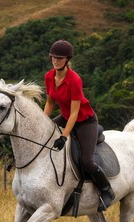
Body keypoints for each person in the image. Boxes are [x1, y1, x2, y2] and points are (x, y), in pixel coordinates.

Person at [43, 39, 115, 212]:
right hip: (65, 116)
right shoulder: (49, 76)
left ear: (67, 59)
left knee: (87, 161)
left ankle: (107, 192)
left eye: (59, 58)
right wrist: (43, 121)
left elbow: (75, 113)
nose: (55, 61)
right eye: (53, 57)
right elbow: (50, 103)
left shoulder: (74, 80)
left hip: (85, 120)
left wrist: (63, 136)